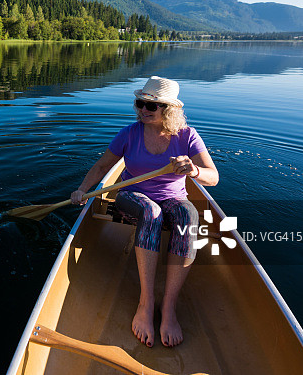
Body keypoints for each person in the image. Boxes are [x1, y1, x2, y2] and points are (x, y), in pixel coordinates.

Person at [70, 76, 218, 348]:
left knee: (190, 217)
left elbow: (213, 177)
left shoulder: (187, 135)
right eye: (140, 103)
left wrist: (193, 170)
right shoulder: (129, 133)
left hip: (174, 197)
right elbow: (103, 167)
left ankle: (169, 308)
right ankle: (146, 304)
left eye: (152, 106)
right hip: (132, 196)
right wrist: (81, 189)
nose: (143, 110)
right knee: (150, 213)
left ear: (169, 110)